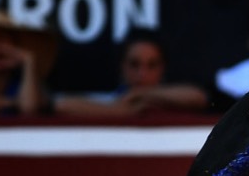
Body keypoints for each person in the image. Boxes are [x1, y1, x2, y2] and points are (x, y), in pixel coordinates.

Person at [54, 30, 207, 117]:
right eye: (134, 64)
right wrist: (121, 110)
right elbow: (62, 105)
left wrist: (141, 94)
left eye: (152, 65)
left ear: (163, 68)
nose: (142, 73)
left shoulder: (174, 101)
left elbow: (198, 97)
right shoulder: (112, 100)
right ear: (122, 66)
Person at [0, 8, 57, 117]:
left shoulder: (24, 82)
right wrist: (3, 102)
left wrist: (28, 61)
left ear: (15, 45)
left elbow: (29, 109)